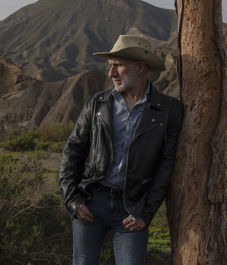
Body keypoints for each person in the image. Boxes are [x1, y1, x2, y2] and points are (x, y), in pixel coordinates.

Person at [58, 35, 184, 265]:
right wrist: (73, 200)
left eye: (118, 65)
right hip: (91, 201)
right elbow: (72, 151)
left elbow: (166, 166)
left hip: (131, 210)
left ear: (140, 67)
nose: (111, 73)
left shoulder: (169, 110)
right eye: (110, 66)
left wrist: (146, 214)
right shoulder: (97, 103)